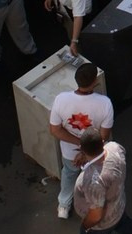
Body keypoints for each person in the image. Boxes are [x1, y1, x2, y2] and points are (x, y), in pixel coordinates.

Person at [49, 61, 114, 220]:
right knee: (95, 177)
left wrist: (78, 144)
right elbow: (104, 135)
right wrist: (86, 151)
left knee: (69, 174)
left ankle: (64, 205)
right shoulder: (105, 104)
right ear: (94, 82)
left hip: (70, 152)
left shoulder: (61, 99)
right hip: (94, 152)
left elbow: (55, 129)